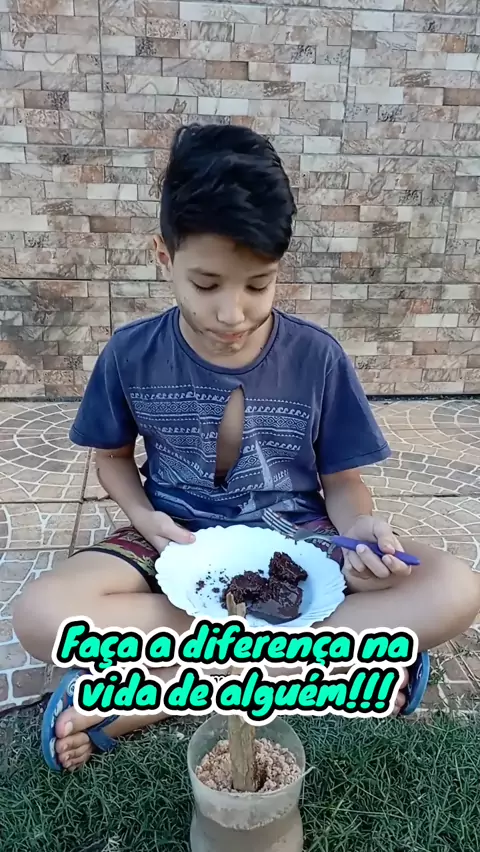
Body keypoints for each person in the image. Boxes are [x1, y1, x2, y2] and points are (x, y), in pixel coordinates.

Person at [13, 124, 480, 772]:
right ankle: (343, 662)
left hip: (298, 542)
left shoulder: (317, 357)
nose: (233, 313)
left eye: (258, 285)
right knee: (40, 615)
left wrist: (360, 530)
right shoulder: (130, 354)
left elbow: (343, 482)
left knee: (454, 589)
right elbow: (112, 459)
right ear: (163, 257)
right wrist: (146, 518)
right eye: (207, 284)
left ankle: (156, 692)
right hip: (176, 539)